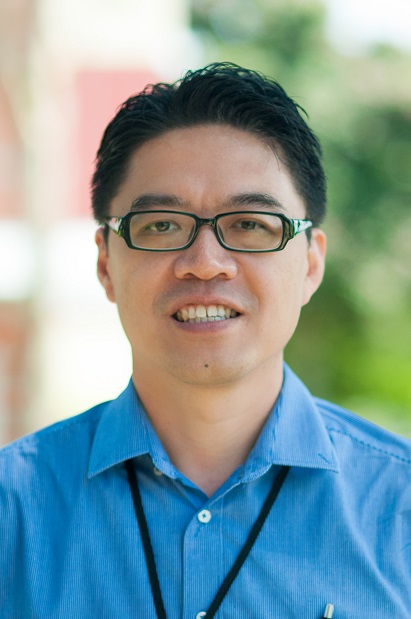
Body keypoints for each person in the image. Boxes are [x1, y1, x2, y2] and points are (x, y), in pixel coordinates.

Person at [0, 63, 410, 619]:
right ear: (105, 264)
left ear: (311, 263)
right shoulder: (13, 508)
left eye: (250, 225)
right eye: (162, 225)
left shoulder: (400, 506)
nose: (204, 263)